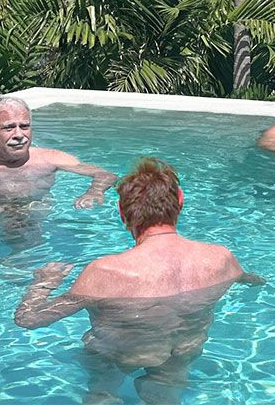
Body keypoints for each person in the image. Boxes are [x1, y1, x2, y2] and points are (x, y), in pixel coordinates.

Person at [14, 158, 262, 404]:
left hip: (119, 356)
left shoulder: (106, 272)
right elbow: (251, 281)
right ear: (180, 201)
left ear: (122, 212)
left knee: (102, 392)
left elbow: (30, 319)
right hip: (184, 350)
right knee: (165, 398)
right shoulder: (221, 259)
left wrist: (42, 283)